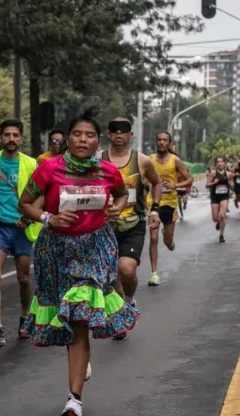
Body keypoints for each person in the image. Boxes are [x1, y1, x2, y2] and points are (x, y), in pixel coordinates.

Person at [17, 108, 140, 416]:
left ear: (97, 141)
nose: (83, 140)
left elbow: (123, 194)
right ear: (68, 138)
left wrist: (116, 210)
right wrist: (49, 218)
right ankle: (80, 358)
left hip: (95, 248)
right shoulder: (49, 169)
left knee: (80, 318)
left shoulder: (107, 171)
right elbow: (25, 203)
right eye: (77, 134)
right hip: (55, 250)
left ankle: (74, 400)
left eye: (89, 135)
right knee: (69, 319)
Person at [0, 119, 43, 346]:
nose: (11, 139)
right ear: (1, 137)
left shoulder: (31, 164)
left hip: (22, 229)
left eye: (15, 135)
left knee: (23, 279)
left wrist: (31, 215)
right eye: (7, 135)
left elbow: (43, 191)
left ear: (21, 139)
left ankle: (25, 317)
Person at [101, 117, 162, 340]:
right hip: (106, 226)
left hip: (133, 223)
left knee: (126, 269)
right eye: (114, 130)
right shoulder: (98, 160)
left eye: (124, 130)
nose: (119, 134)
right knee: (112, 275)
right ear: (108, 134)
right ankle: (121, 315)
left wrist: (154, 210)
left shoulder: (142, 161)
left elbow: (157, 183)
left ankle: (127, 303)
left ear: (130, 135)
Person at [146, 131, 192, 286]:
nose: (161, 142)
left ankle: (170, 241)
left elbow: (189, 180)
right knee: (153, 238)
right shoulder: (149, 160)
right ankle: (154, 274)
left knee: (166, 240)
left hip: (170, 203)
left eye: (165, 140)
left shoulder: (175, 160)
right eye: (159, 140)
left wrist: (175, 185)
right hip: (153, 202)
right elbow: (143, 177)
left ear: (169, 143)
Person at [207, 157, 234, 243]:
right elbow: (207, 185)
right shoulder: (213, 173)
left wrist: (231, 185)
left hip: (224, 196)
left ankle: (221, 235)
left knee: (222, 215)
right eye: (218, 162)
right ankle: (218, 222)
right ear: (216, 164)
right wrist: (213, 183)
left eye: (222, 161)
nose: (220, 163)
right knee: (215, 218)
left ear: (224, 163)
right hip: (214, 196)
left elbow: (231, 184)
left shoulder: (229, 174)